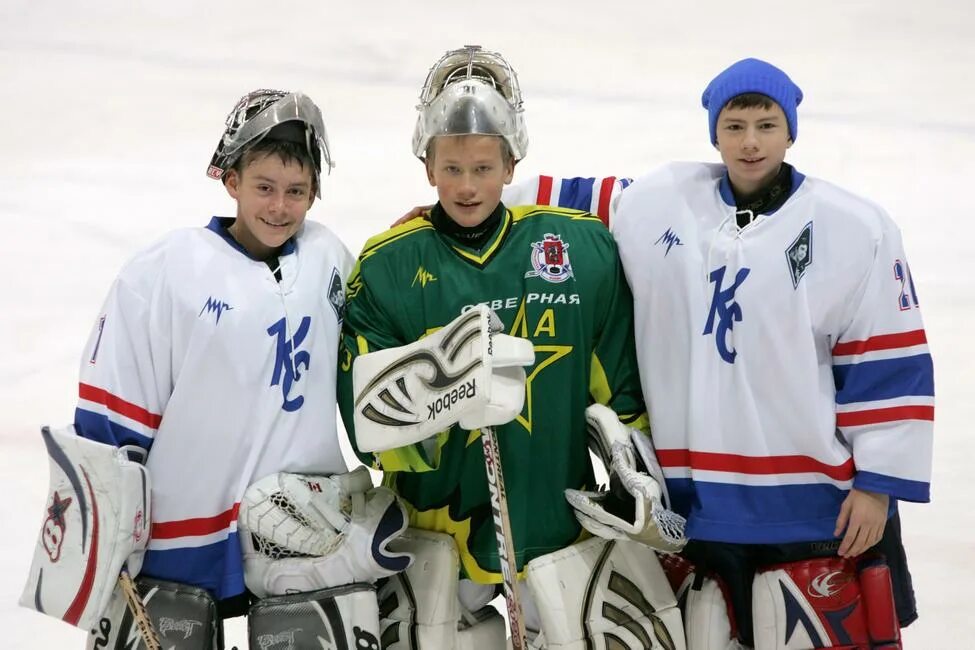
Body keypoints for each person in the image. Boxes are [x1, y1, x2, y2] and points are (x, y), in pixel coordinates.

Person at [503, 59, 934, 649]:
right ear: (714, 133)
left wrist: (878, 484)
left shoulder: (854, 228)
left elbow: (887, 360)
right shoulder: (662, 203)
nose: (750, 142)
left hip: (815, 513)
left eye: (766, 124)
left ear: (790, 131)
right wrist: (448, 212)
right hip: (693, 508)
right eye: (734, 126)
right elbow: (558, 206)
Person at [21, 89, 409, 649]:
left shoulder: (329, 258)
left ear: (315, 192)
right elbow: (112, 423)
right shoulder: (165, 274)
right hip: (176, 548)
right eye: (265, 188)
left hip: (301, 534)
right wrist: (106, 535)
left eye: (296, 192)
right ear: (230, 180)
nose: (279, 207)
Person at [338, 45, 685, 649]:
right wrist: (442, 398)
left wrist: (640, 478)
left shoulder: (580, 251)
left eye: (482, 167)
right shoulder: (387, 264)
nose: (467, 186)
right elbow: (364, 423)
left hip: (559, 524)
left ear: (512, 162)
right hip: (436, 535)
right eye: (451, 169)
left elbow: (623, 391)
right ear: (427, 167)